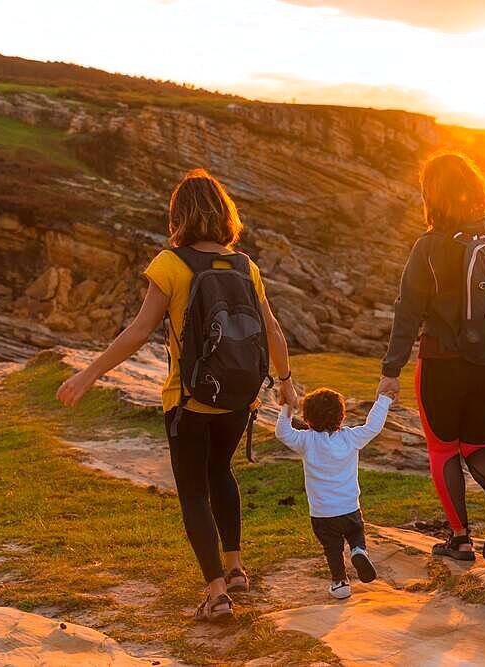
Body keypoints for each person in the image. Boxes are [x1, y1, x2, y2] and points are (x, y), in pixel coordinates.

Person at [56, 169, 299, 622]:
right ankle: (236, 569)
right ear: (224, 212)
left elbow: (139, 331)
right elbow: (273, 329)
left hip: (188, 399)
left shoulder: (170, 265)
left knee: (193, 492)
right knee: (221, 472)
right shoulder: (245, 265)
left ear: (179, 215)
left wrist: (89, 373)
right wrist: (285, 383)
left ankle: (217, 594)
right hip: (239, 399)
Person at [377, 151, 485, 562]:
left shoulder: (428, 246)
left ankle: (460, 540)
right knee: (482, 443)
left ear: (432, 196)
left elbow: (406, 310)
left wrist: (392, 370)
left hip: (442, 364)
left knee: (444, 450)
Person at [275, 387, 392, 599]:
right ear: (342, 415)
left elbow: (282, 432)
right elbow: (373, 427)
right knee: (355, 533)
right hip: (349, 509)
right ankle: (358, 550)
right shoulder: (350, 438)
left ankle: (340, 583)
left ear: (308, 418)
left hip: (322, 514)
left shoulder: (306, 441)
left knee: (332, 548)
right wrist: (383, 400)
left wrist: (286, 406)